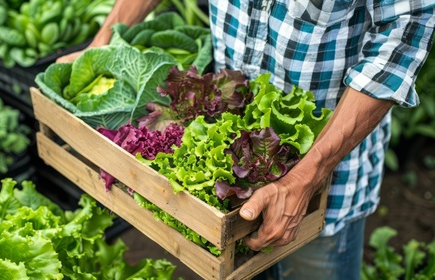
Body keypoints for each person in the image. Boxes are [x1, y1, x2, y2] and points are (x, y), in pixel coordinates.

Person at [57, 0, 435, 279]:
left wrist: (304, 178)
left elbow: (403, 33)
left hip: (326, 178)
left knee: (314, 268)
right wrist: (101, 44)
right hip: (230, 157)